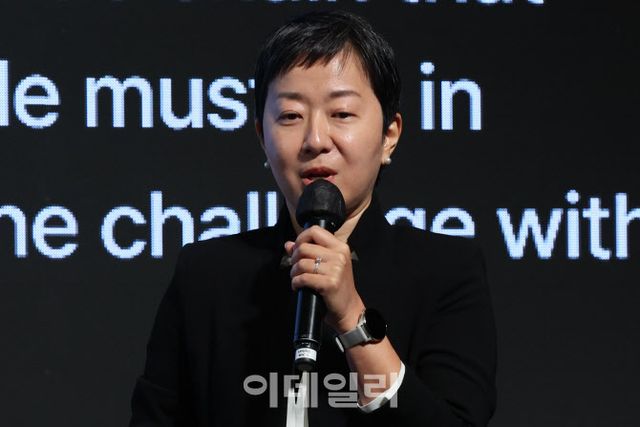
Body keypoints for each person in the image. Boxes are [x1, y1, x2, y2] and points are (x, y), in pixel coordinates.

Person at [129, 10, 496, 427]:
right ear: (261, 137)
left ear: (389, 135)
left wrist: (352, 317)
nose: (316, 140)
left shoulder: (445, 271)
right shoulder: (206, 275)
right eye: (290, 116)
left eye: (342, 114)